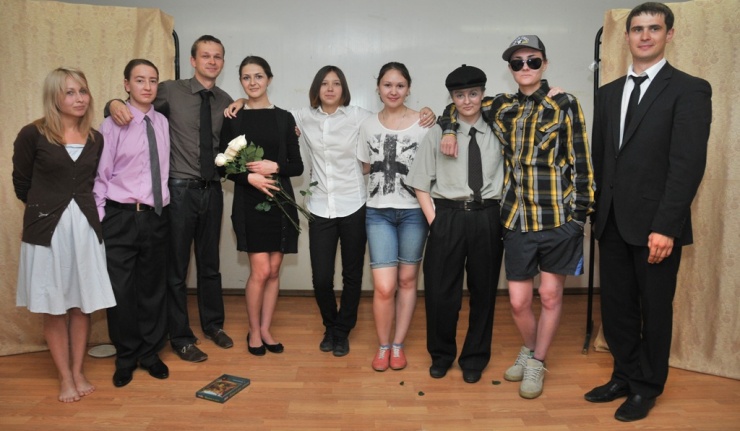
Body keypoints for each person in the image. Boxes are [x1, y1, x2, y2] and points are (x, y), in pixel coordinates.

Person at [225, 66, 434, 358]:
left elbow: (390, 117)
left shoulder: (360, 116)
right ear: (317, 89)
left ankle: (342, 330)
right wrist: (240, 101)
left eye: (336, 83)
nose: (330, 88)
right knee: (321, 278)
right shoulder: (301, 116)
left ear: (344, 89)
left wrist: (426, 111)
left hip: (354, 204)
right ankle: (330, 325)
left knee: (352, 275)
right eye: (324, 83)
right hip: (320, 207)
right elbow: (266, 108)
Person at [585, 2, 711, 422]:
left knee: (654, 311)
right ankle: (623, 375)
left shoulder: (690, 90)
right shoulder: (608, 93)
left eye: (653, 28)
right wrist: (597, 215)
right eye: (637, 29)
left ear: (668, 34)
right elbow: (602, 159)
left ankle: (646, 387)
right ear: (626, 37)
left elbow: (687, 165)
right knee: (617, 308)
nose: (644, 35)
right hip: (611, 223)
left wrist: (666, 226)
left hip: (657, 227)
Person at [107, 35, 235, 362]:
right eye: (205, 56)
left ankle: (213, 325)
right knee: (176, 269)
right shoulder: (169, 90)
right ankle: (180, 336)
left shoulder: (225, 100)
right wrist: (113, 103)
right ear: (193, 60)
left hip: (213, 189)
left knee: (210, 264)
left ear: (222, 62)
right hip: (178, 191)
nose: (211, 61)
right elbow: (135, 100)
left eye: (217, 56)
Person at [12, 67, 116, 402]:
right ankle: (65, 377)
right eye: (70, 92)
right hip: (47, 232)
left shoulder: (96, 138)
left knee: (82, 306)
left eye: (82, 91)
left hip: (84, 231)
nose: (79, 98)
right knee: (54, 306)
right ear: (54, 97)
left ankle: (78, 370)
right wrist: (47, 211)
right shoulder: (32, 134)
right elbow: (22, 184)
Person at [406, 64, 504, 384]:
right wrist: (435, 221)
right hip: (447, 216)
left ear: (483, 94)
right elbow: (420, 182)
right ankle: (441, 354)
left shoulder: (499, 130)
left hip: (487, 216)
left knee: (484, 292)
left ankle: (475, 357)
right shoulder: (439, 132)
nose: (467, 101)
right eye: (460, 95)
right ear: (452, 98)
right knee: (440, 292)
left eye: (473, 94)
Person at [219, 56, 303, 356]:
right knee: (261, 270)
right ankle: (254, 330)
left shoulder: (285, 118)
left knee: (274, 269)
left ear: (269, 79)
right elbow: (223, 165)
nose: (252, 82)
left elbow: (297, 166)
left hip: (280, 200)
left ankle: (266, 328)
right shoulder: (234, 117)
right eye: (246, 77)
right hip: (249, 200)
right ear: (240, 81)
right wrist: (249, 177)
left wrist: (275, 166)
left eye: (258, 76)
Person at [94, 59, 170, 387]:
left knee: (153, 289)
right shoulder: (111, 125)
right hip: (120, 217)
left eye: (152, 80)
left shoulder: (162, 122)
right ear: (126, 85)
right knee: (121, 291)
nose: (147, 86)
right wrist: (101, 222)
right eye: (140, 80)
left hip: (155, 216)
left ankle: (150, 353)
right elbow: (100, 177)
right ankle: (126, 356)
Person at [357, 62, 429, 372]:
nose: (393, 91)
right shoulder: (367, 125)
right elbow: (364, 167)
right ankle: (383, 344)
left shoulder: (424, 123)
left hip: (414, 213)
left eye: (400, 85)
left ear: (408, 89)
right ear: (378, 88)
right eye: (388, 85)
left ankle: (398, 345)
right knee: (385, 286)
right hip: (378, 213)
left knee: (408, 280)